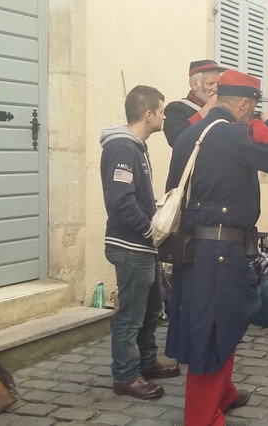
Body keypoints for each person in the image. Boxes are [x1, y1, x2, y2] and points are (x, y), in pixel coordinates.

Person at [164, 70, 268, 425]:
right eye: (254, 107)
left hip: (196, 252)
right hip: (220, 255)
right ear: (243, 104)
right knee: (211, 332)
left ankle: (223, 393)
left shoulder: (188, 135)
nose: (254, 113)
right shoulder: (231, 134)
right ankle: (201, 417)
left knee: (216, 323)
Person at [99, 85, 181, 400]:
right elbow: (121, 201)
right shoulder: (122, 148)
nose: (163, 117)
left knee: (151, 310)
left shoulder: (136, 146)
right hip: (131, 246)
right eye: (161, 111)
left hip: (144, 246)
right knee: (131, 316)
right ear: (148, 115)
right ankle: (125, 376)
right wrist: (150, 229)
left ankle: (147, 363)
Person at [163, 59, 225, 147]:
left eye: (217, 84)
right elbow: (175, 139)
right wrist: (207, 109)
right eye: (210, 84)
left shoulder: (221, 110)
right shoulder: (176, 108)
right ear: (194, 85)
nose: (216, 89)